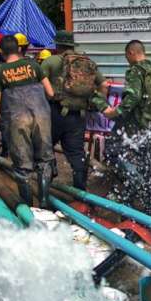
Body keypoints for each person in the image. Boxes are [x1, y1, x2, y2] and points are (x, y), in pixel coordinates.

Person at [100, 40, 151, 209]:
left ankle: (132, 188)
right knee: (149, 165)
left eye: (126, 56)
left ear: (131, 53)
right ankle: (150, 207)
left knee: (111, 151)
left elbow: (133, 97)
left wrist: (114, 113)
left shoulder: (135, 71)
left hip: (137, 126)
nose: (127, 59)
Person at [0, 35, 55, 205]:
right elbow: (50, 93)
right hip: (41, 116)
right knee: (45, 160)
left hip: (17, 119)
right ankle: (44, 202)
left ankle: (28, 209)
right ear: (19, 49)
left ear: (1, 52)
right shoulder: (34, 65)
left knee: (22, 165)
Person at [41, 30, 107, 190]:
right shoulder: (87, 62)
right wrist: (95, 104)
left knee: (45, 149)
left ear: (57, 45)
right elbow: (104, 85)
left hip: (55, 112)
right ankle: (80, 192)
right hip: (79, 115)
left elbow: (39, 84)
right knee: (77, 153)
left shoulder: (50, 61)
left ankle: (46, 188)